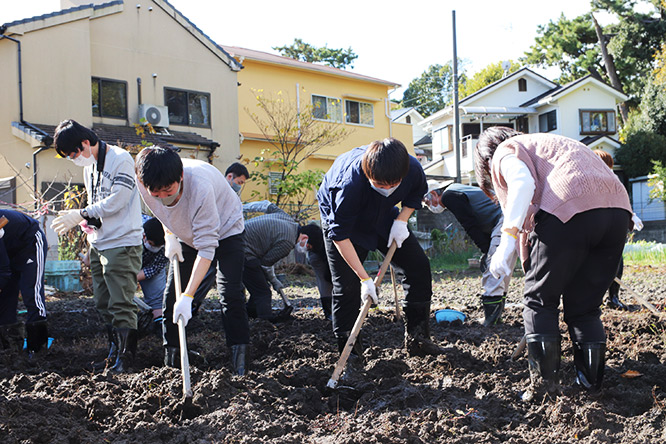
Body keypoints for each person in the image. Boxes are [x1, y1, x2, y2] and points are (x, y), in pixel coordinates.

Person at [474, 127, 633, 398]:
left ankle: (544, 389)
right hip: (618, 213)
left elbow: (523, 185)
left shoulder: (505, 151)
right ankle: (590, 385)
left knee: (539, 302)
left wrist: (507, 238)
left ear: (486, 163)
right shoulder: (551, 144)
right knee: (585, 308)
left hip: (570, 209)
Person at [317, 137, 442, 360]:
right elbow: (340, 235)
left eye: (392, 186)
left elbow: (415, 195)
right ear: (368, 174)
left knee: (418, 267)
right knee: (347, 288)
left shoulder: (411, 168)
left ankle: (418, 339)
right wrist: (365, 279)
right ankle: (351, 357)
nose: (386, 189)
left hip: (384, 215)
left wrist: (402, 220)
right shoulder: (349, 184)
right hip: (345, 223)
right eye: (380, 185)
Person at [134, 146, 250, 375]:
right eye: (157, 194)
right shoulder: (144, 180)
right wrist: (170, 236)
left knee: (230, 295)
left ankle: (240, 366)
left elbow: (207, 249)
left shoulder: (200, 187)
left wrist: (189, 297)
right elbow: (162, 212)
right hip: (185, 234)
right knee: (170, 299)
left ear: (180, 177)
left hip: (227, 230)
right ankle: (172, 362)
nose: (163, 198)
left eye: (169, 191)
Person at [51, 119, 143, 373]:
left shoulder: (120, 159)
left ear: (84, 142)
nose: (74, 158)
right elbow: (97, 204)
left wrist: (81, 213)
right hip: (99, 242)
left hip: (122, 241)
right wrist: (87, 221)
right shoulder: (89, 166)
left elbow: (119, 199)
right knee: (102, 301)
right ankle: (114, 351)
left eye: (73, 153)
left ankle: (126, 358)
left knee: (121, 302)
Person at [423, 180, 518, 326]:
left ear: (435, 193)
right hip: (510, 215)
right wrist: (487, 250)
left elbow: (470, 225)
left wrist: (486, 252)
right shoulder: (457, 189)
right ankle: (496, 318)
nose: (430, 206)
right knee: (502, 269)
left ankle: (490, 320)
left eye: (428, 201)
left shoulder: (450, 196)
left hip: (503, 218)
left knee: (492, 269)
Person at [239, 200, 308, 322]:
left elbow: (267, 205)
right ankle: (265, 322)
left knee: (259, 285)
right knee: (263, 292)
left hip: (239, 237)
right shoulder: (287, 242)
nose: (304, 249)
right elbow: (265, 265)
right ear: (305, 238)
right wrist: (275, 281)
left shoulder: (287, 218)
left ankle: (250, 312)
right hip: (243, 251)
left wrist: (243, 207)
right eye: (307, 246)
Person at [592, 149, 644, 310]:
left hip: (611, 226)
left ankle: (613, 297)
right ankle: (597, 299)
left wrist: (632, 216)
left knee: (617, 262)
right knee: (595, 266)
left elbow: (622, 202)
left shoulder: (614, 182)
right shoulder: (589, 181)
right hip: (594, 227)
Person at [0, 209, 48, 357]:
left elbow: (3, 270)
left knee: (31, 292)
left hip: (30, 243)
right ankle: (10, 349)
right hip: (8, 251)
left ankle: (37, 348)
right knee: (6, 298)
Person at [137, 216, 169, 328]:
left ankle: (159, 322)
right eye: (152, 244)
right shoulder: (132, 231)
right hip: (129, 260)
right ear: (144, 236)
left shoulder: (167, 245)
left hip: (152, 265)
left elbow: (154, 268)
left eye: (158, 246)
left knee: (158, 296)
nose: (155, 247)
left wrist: (131, 278)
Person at [298, 223, 333, 320]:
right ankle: (329, 311)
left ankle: (331, 310)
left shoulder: (323, 244)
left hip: (327, 255)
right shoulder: (314, 253)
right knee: (324, 281)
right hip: (319, 257)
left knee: (328, 280)